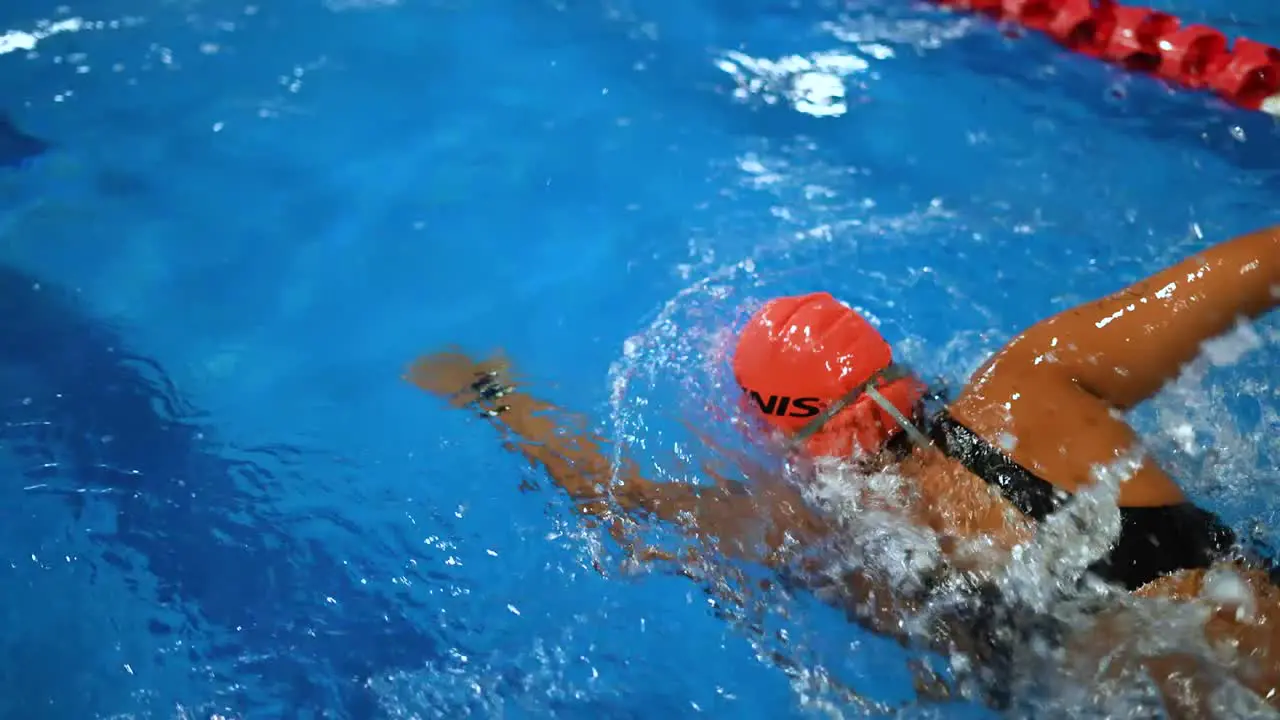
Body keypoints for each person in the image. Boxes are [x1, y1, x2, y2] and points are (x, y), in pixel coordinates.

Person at [405, 224, 1280, 716]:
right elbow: (1250, 268)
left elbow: (612, 496)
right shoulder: (1033, 381)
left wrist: (492, 395)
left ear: (785, 437)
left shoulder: (806, 525)